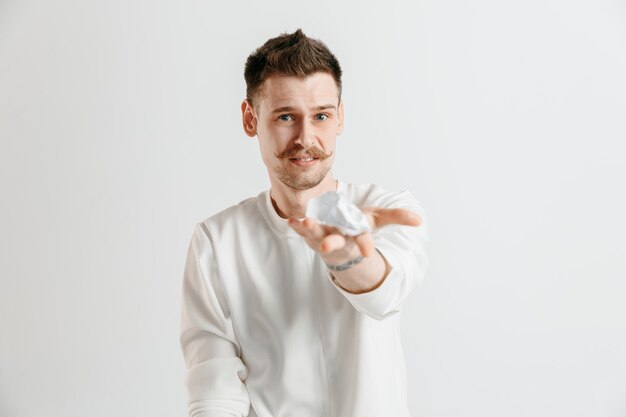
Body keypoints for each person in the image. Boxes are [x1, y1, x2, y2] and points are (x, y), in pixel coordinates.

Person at [180, 29, 430, 417]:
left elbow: (386, 292)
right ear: (251, 119)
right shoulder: (216, 240)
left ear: (340, 117)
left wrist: (348, 257)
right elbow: (214, 390)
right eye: (285, 117)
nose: (306, 137)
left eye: (321, 116)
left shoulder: (388, 209)